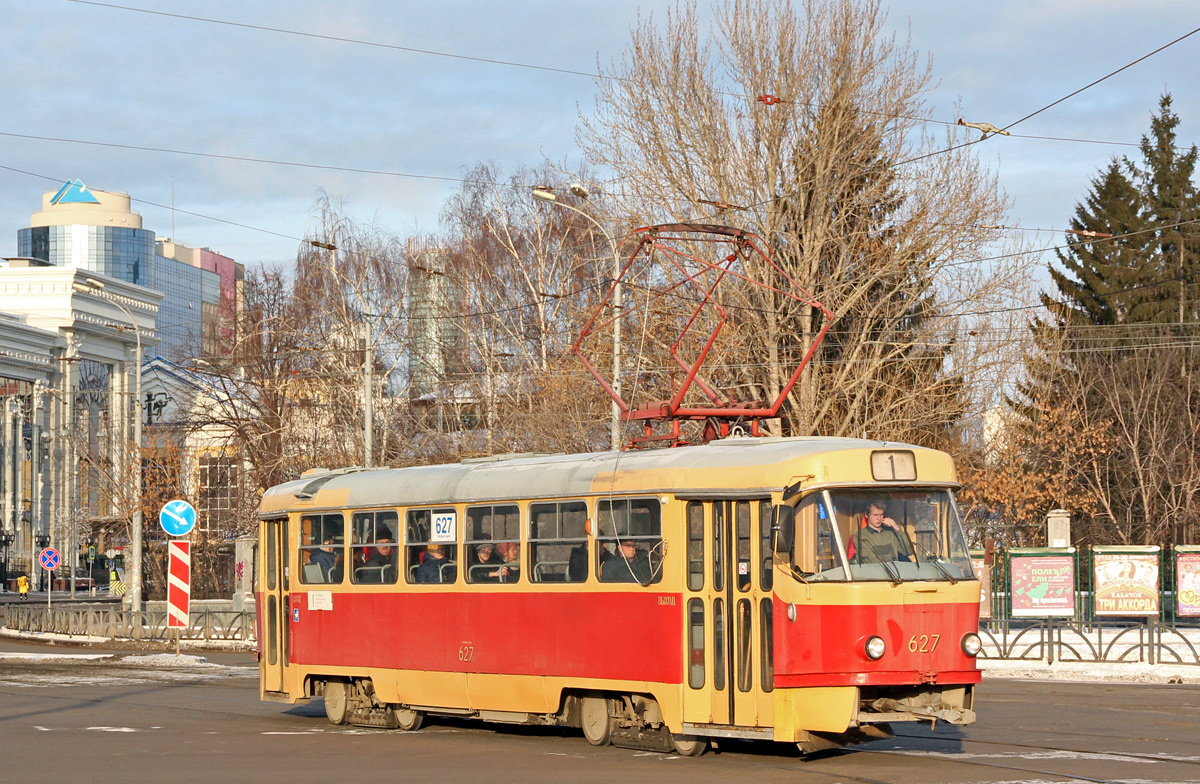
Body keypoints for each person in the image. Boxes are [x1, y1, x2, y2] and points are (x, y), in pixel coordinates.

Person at [847, 502, 913, 564]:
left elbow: (908, 551)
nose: (879, 518)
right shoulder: (861, 536)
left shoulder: (890, 533)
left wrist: (897, 528)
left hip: (894, 573)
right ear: (867, 515)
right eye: (875, 515)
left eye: (881, 515)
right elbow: (871, 559)